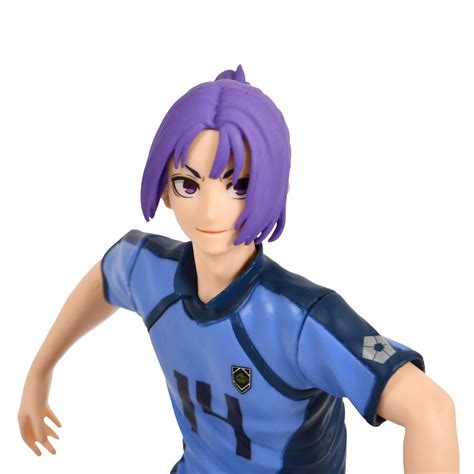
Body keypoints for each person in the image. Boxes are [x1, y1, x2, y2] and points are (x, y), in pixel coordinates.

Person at [18, 65, 459, 473]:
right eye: (188, 184)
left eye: (239, 185)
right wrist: (40, 370)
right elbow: (107, 276)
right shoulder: (148, 269)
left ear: (273, 187)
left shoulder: (300, 320)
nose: (211, 210)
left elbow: (430, 410)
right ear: (165, 189)